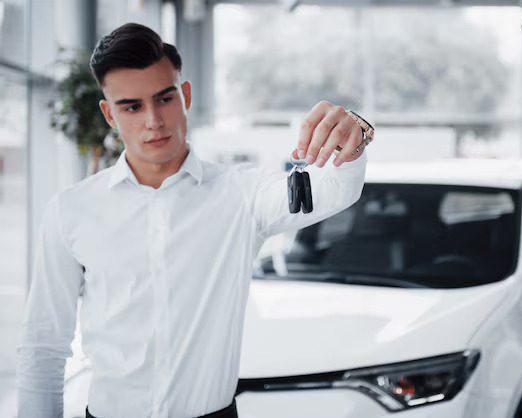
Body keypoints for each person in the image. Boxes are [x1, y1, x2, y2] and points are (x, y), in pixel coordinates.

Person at [16, 23, 371, 418]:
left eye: (164, 99)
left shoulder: (242, 194)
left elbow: (335, 190)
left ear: (184, 95)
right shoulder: (71, 211)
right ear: (109, 114)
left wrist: (351, 139)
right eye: (132, 106)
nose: (153, 120)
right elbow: (43, 348)